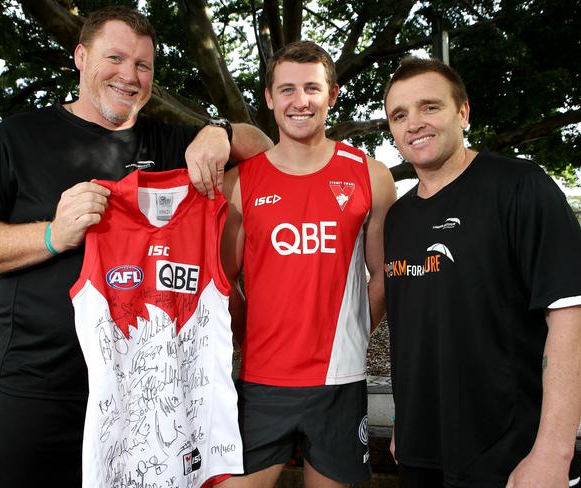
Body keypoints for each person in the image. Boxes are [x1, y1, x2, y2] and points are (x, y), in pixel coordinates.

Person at [0, 6, 271, 487]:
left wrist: (219, 134)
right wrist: (53, 234)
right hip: (37, 391)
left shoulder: (171, 141)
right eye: (115, 58)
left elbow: (264, 151)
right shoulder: (19, 136)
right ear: (80, 56)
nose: (129, 76)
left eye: (142, 65)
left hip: (143, 398)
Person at [383, 56, 581, 487]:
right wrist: (403, 418)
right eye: (400, 115)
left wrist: (553, 451)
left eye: (429, 106)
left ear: (463, 111)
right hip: (419, 449)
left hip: (508, 454)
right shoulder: (397, 219)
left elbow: (570, 316)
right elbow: (414, 328)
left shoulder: (521, 187)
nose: (414, 122)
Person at [220, 41, 396, 488]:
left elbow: (382, 278)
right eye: (287, 90)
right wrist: (250, 337)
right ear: (269, 98)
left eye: (312, 89)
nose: (300, 101)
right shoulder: (240, 181)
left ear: (332, 95)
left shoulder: (371, 175)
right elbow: (225, 282)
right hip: (261, 379)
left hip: (340, 381)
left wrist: (351, 334)